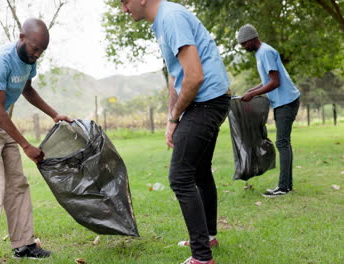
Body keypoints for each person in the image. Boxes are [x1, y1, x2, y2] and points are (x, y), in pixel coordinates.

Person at [120, 1, 231, 263]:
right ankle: (208, 237)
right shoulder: (161, 23)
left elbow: (194, 78)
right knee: (200, 171)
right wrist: (172, 120)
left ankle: (202, 257)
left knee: (180, 177)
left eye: (124, 1)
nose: (124, 9)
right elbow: (176, 76)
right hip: (206, 101)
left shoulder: (171, 18)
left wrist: (176, 114)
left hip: (206, 101)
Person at [0, 18, 72, 264]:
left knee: (17, 185)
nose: (37, 54)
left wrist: (54, 114)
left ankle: (24, 245)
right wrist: (26, 145)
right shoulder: (1, 60)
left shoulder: (29, 61)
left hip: (1, 123)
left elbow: (27, 90)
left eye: (42, 50)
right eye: (34, 48)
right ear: (21, 37)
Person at [237, 24, 301, 198]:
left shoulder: (265, 52)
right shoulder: (261, 53)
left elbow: (275, 82)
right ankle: (285, 185)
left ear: (251, 39)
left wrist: (253, 94)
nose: (243, 47)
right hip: (283, 101)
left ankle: (284, 187)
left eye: (244, 44)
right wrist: (251, 91)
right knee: (283, 143)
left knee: (282, 143)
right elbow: (266, 80)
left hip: (286, 101)